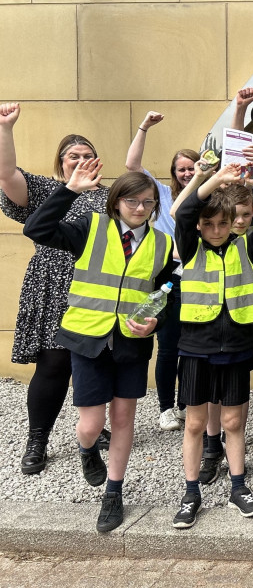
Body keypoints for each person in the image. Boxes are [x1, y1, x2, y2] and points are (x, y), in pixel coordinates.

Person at [23, 161, 174, 532]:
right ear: (116, 200)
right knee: (90, 425)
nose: (139, 208)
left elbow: (167, 291)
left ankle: (113, 493)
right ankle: (88, 450)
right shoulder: (91, 228)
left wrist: (157, 320)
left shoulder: (163, 243)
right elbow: (36, 228)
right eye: (132, 201)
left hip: (132, 343)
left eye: (148, 202)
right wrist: (70, 190)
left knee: (123, 419)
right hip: (87, 337)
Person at [0, 103, 112, 475]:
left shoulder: (111, 196)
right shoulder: (47, 189)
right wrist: (6, 129)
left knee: (95, 361)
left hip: (96, 287)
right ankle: (37, 439)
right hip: (52, 286)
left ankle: (91, 429)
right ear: (60, 162)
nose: (80, 160)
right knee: (54, 363)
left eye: (87, 155)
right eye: (72, 156)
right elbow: (6, 174)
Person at [170, 163, 253, 529]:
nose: (215, 230)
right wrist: (216, 179)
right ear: (200, 225)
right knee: (196, 422)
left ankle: (238, 488)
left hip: (237, 347)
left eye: (223, 224)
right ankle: (191, 492)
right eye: (209, 223)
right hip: (196, 346)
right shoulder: (190, 245)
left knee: (232, 421)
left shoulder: (248, 246)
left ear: (233, 223)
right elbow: (183, 212)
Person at [124, 109, 199, 432]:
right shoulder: (161, 195)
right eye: (181, 169)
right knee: (168, 346)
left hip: (200, 279)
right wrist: (144, 128)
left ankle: (186, 403)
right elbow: (132, 166)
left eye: (191, 168)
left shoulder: (205, 198)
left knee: (192, 348)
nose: (185, 173)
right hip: (170, 279)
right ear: (173, 172)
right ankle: (167, 407)